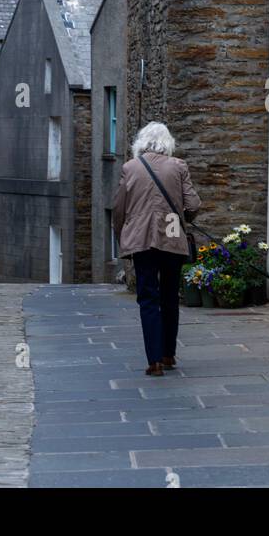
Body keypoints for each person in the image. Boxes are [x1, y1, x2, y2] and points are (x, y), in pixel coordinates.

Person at [112, 121, 201, 377]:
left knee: (148, 297)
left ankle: (154, 361)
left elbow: (119, 208)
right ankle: (168, 353)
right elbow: (193, 203)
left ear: (141, 142)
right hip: (172, 234)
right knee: (170, 296)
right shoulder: (178, 166)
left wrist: (122, 233)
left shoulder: (130, 168)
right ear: (167, 143)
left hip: (141, 238)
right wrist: (185, 219)